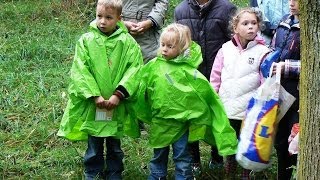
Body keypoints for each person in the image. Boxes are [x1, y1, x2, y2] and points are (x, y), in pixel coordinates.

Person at [111, 23, 238, 180]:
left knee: (182, 156)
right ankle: (157, 176)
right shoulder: (154, 66)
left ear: (182, 48)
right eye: (163, 45)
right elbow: (139, 83)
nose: (164, 49)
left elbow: (204, 93)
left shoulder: (189, 71)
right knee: (159, 154)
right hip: (160, 122)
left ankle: (183, 176)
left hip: (181, 124)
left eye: (170, 46)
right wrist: (125, 96)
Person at [57, 0, 143, 179]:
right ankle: (92, 171)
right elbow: (81, 69)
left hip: (115, 103)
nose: (102, 21)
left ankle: (114, 171)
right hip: (94, 103)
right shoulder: (86, 41)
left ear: (119, 18)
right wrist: (94, 95)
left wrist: (119, 94)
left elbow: (134, 69)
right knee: (94, 141)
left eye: (108, 17)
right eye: (99, 16)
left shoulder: (127, 43)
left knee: (114, 141)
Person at [174, 0, 237, 172]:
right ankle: (193, 160)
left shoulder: (227, 8)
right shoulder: (181, 10)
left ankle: (217, 157)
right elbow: (176, 42)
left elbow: (235, 42)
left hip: (219, 75)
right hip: (190, 76)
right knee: (190, 116)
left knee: (217, 115)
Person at [210, 7, 270, 179]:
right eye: (245, 23)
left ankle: (245, 174)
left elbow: (265, 82)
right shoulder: (225, 49)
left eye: (254, 23)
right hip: (227, 106)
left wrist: (262, 105)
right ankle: (229, 173)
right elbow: (216, 76)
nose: (250, 27)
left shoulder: (263, 52)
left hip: (249, 111)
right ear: (235, 28)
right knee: (230, 142)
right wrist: (213, 97)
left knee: (245, 144)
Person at [271, 0, 300, 179]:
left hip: (299, 96)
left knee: (295, 141)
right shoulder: (284, 21)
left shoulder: (312, 25)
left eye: (297, 0)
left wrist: (286, 67)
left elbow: (314, 64)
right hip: (280, 92)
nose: (291, 3)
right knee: (280, 140)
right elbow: (276, 49)